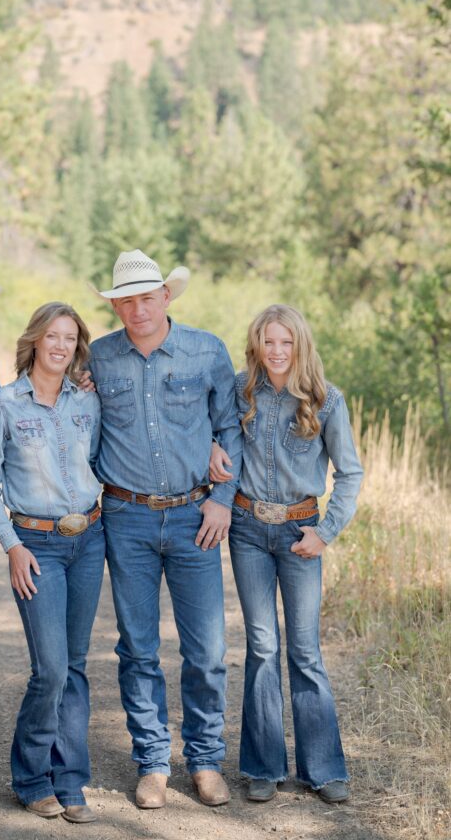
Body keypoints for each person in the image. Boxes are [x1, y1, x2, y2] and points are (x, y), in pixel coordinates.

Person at [87, 249, 242, 810]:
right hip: (125, 517)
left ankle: (204, 760)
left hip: (194, 517)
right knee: (138, 648)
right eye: (124, 301)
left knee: (206, 649)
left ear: (166, 297)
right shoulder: (98, 359)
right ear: (114, 305)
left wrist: (223, 500)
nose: (136, 309)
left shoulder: (206, 351)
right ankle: (152, 761)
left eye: (145, 298)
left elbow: (231, 428)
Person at [222, 304, 363, 805]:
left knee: (304, 650)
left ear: (300, 345)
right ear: (256, 344)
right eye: (268, 342)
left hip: (302, 534)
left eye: (286, 342)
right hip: (247, 530)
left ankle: (323, 769)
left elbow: (350, 473)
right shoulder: (239, 392)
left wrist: (324, 533)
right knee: (262, 646)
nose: (277, 352)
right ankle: (262, 767)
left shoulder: (326, 401)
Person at [0, 302, 104, 825]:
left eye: (71, 338)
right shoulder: (5, 404)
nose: (61, 346)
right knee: (50, 668)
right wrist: (11, 545)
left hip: (88, 539)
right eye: (52, 336)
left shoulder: (87, 402)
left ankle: (70, 778)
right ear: (34, 341)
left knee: (75, 665)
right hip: (37, 546)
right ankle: (31, 777)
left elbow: (98, 458)